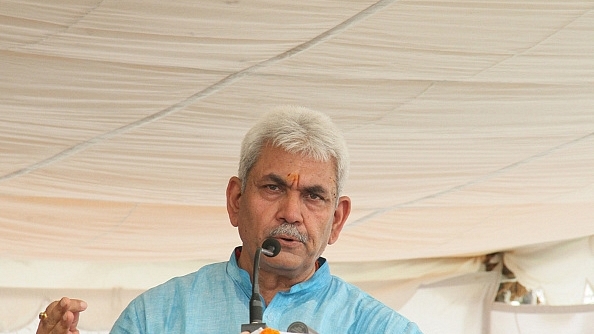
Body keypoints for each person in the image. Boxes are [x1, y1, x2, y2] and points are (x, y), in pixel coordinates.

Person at [37, 106, 422, 334]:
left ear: (337, 220)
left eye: (313, 196)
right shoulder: (157, 316)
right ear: (236, 201)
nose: (291, 213)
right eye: (273, 188)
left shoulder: (380, 328)